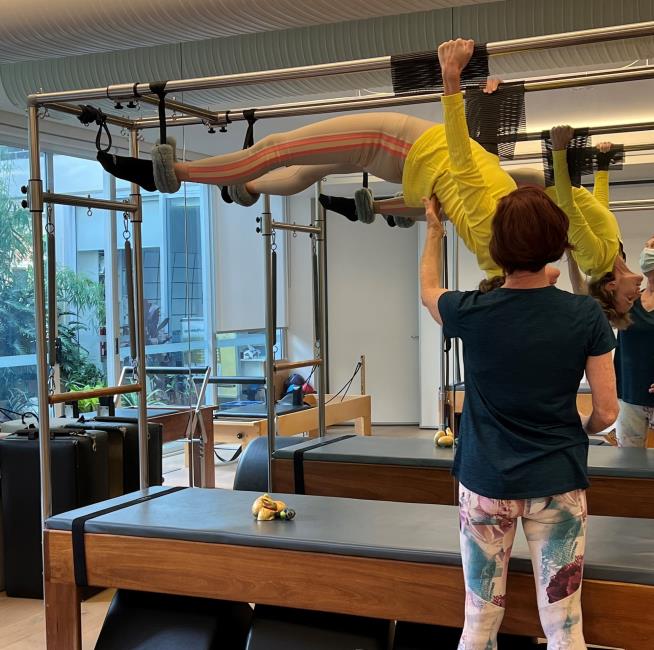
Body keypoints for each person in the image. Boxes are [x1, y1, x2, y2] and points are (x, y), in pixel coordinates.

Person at [420, 182, 617, 648]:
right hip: (558, 481)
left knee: (479, 620)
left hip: (486, 483)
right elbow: (607, 411)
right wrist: (578, 430)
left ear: (498, 248)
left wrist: (434, 230)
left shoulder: (472, 311)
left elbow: (429, 290)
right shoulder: (585, 315)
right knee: (563, 625)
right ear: (557, 244)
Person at [613, 237, 654, 446]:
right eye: (647, 247)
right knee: (628, 460)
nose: (648, 252)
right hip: (628, 394)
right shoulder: (628, 300)